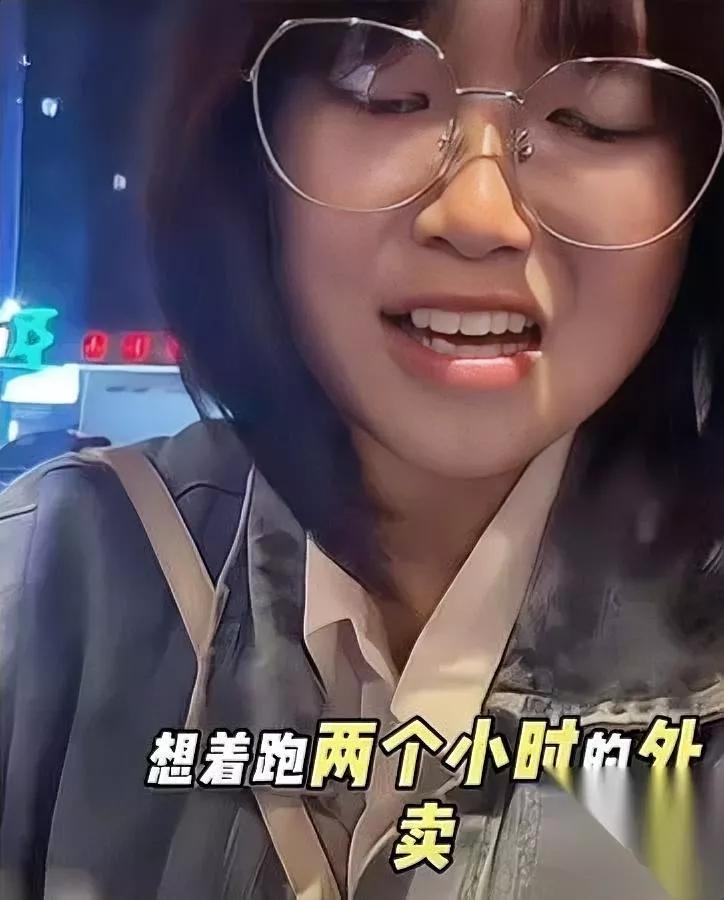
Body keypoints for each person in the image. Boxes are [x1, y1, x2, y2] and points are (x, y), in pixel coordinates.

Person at [2, 0, 724, 897]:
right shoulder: (51, 597)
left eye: (593, 118)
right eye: (384, 93)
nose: (478, 213)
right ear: (251, 137)